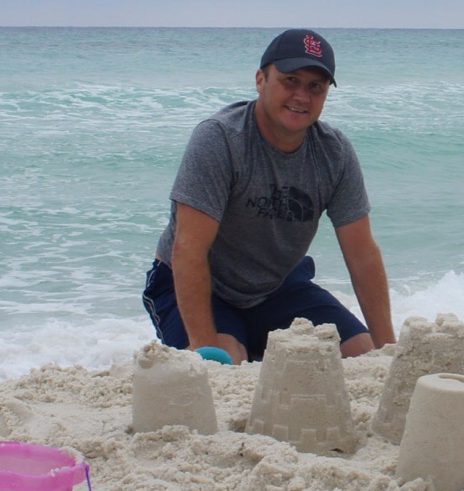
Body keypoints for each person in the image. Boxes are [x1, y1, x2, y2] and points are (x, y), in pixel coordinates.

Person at [143, 29, 395, 363]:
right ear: (261, 80)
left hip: (277, 287)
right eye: (290, 80)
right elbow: (189, 248)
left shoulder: (334, 153)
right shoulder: (220, 138)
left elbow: (362, 255)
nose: (301, 96)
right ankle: (235, 348)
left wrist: (390, 352)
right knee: (226, 360)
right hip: (200, 285)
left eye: (315, 86)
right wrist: (209, 356)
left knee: (363, 356)